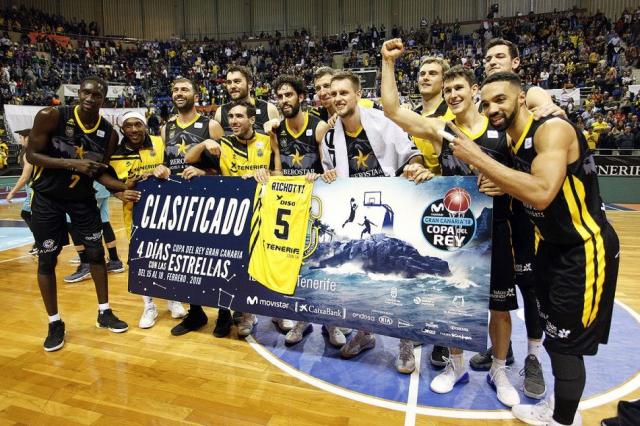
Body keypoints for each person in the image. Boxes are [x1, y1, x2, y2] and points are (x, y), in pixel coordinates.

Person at [451, 71, 619, 426]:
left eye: (501, 100)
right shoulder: (514, 142)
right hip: (551, 248)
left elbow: (542, 192)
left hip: (583, 249)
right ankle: (558, 410)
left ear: (521, 99)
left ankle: (564, 420)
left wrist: (480, 159)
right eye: (486, 102)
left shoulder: (551, 129)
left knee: (564, 344)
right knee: (552, 333)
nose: (492, 107)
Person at [381, 39, 519, 407]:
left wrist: (502, 182)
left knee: (500, 308)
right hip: (457, 232)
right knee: (456, 300)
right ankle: (456, 365)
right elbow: (393, 110)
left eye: (459, 88)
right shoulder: (443, 131)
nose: (453, 94)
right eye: (448, 90)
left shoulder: (500, 131)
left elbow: (526, 178)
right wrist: (388, 63)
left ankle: (499, 369)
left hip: (498, 232)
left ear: (474, 91)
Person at [25, 76, 141, 352]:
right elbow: (31, 155)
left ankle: (105, 312)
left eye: (97, 95)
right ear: (79, 93)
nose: (90, 98)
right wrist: (72, 163)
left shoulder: (108, 134)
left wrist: (123, 188)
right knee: (47, 259)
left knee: (96, 255)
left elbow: (101, 172)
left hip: (82, 201)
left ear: (104, 99)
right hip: (48, 200)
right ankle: (55, 323)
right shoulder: (52, 115)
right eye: (86, 93)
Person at [320, 70, 428, 360]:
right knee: (362, 277)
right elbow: (330, 178)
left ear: (358, 94)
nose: (339, 98)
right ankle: (364, 333)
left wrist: (416, 166)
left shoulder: (385, 122)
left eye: (345, 92)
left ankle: (405, 341)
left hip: (393, 207)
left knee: (400, 275)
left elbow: (412, 154)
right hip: (359, 215)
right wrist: (326, 176)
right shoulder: (329, 139)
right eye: (334, 94)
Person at [471, 37, 553, 400]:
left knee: (530, 290)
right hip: (501, 220)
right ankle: (501, 352)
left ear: (517, 63)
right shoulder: (490, 108)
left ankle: (534, 357)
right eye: (488, 57)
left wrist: (550, 106)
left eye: (500, 56)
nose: (491, 62)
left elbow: (543, 102)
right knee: (499, 298)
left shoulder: (531, 97)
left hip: (529, 219)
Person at [188, 100, 278, 338]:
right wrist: (205, 144)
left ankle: (277, 311)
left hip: (265, 211)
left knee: (268, 263)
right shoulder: (224, 143)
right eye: (231, 117)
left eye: (240, 116)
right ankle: (247, 312)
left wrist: (266, 173)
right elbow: (189, 159)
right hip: (235, 215)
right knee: (240, 266)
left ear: (251, 120)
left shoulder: (267, 141)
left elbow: (281, 172)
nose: (234, 121)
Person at [154, 77, 224, 337]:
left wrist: (204, 172)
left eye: (185, 89)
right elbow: (167, 162)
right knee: (186, 260)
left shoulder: (211, 126)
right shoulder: (166, 128)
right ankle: (196, 313)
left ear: (196, 94)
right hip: (177, 202)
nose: (179, 93)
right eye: (175, 89)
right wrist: (160, 168)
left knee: (214, 259)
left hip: (209, 201)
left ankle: (224, 314)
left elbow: (226, 170)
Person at [262, 74, 330, 341]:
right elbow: (278, 168)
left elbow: (329, 170)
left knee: (319, 266)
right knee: (294, 265)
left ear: (301, 97)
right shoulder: (276, 131)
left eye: (288, 95)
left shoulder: (320, 126)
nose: (283, 100)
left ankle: (331, 324)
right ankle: (301, 322)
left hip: (317, 204)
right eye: (279, 96)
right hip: (289, 205)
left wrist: (319, 178)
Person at [401, 55, 456, 373]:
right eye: (422, 73)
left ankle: (442, 340)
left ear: (444, 80)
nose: (425, 77)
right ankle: (424, 327)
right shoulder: (411, 115)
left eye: (433, 73)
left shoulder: (452, 113)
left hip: (448, 202)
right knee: (418, 270)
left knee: (443, 275)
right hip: (416, 201)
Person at [109, 110, 187, 329]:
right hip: (136, 214)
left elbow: (177, 168)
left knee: (170, 255)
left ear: (144, 125)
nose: (134, 130)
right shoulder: (115, 154)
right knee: (142, 259)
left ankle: (173, 298)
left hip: (167, 212)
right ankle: (149, 305)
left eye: (138, 125)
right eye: (128, 126)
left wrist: (165, 169)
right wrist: (121, 192)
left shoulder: (160, 143)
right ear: (122, 129)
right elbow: (110, 183)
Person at [63, 181, 125, 283]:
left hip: (87, 188)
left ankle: (86, 263)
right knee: (104, 221)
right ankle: (114, 261)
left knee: (71, 222)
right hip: (102, 187)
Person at [214, 65, 279, 135]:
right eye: (229, 82)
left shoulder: (268, 109)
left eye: (237, 81)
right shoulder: (220, 112)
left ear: (250, 84)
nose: (232, 86)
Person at [6, 128, 37, 255]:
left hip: (34, 188)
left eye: (21, 137)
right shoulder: (30, 151)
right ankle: (40, 242)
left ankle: (41, 242)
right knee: (28, 214)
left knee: (29, 214)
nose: (20, 139)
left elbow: (25, 177)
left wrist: (12, 192)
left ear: (27, 138)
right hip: (33, 187)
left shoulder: (29, 153)